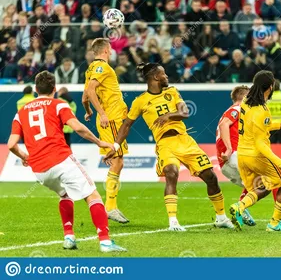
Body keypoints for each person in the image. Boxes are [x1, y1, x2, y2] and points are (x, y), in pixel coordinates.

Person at [103, 63, 234, 231]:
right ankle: (173, 222)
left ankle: (221, 217)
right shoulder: (140, 101)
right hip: (165, 144)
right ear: (156, 77)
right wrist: (115, 146)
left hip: (185, 141)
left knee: (211, 177)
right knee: (172, 173)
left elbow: (185, 113)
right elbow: (127, 125)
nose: (166, 77)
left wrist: (168, 115)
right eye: (163, 74)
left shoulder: (172, 92)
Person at [8, 71, 126, 252]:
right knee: (93, 195)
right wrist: (99, 141)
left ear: (36, 90)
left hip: (40, 169)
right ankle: (105, 242)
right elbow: (78, 127)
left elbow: (11, 145)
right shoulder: (58, 104)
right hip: (60, 159)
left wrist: (25, 157)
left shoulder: (21, 112)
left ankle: (69, 237)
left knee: (64, 194)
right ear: (54, 89)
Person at [229, 71, 281, 232]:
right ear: (270, 87)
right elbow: (260, 143)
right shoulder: (261, 109)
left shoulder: (246, 102)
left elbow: (258, 126)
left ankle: (240, 206)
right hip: (255, 155)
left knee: (264, 186)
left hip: (242, 155)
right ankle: (274, 224)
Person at [82, 38, 129, 224]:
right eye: (110, 48)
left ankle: (111, 205)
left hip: (109, 118)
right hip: (112, 118)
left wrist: (88, 112)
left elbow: (85, 96)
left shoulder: (90, 70)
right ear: (107, 50)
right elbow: (91, 90)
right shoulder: (102, 67)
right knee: (117, 162)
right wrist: (102, 113)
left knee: (118, 162)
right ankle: (110, 206)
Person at [216, 86, 256, 226]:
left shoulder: (234, 112)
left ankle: (240, 208)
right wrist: (228, 149)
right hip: (234, 156)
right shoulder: (237, 109)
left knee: (256, 186)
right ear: (245, 98)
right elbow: (223, 125)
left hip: (226, 164)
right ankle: (280, 221)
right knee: (269, 180)